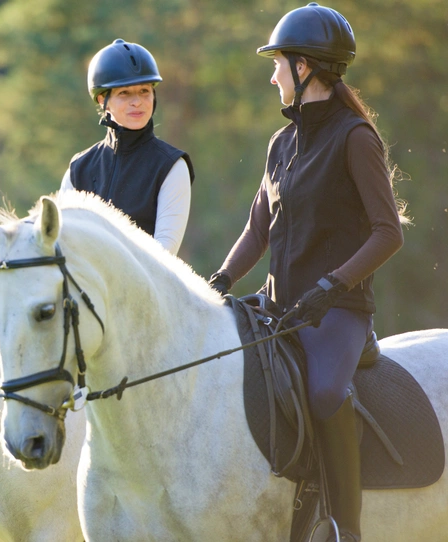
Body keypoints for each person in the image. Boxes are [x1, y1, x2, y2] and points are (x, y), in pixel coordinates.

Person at [208, 4, 407, 541]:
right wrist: (222, 280)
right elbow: (257, 232)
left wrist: (333, 286)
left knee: (324, 395)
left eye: (279, 64)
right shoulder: (281, 144)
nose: (272, 74)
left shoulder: (355, 138)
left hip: (337, 311)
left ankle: (346, 525)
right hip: (278, 304)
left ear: (308, 69)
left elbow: (389, 233)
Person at [59, 39, 195, 255]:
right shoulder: (78, 169)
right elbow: (63, 245)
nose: (137, 102)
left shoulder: (172, 166)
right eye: (125, 93)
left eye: (144, 91)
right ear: (103, 99)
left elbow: (163, 257)